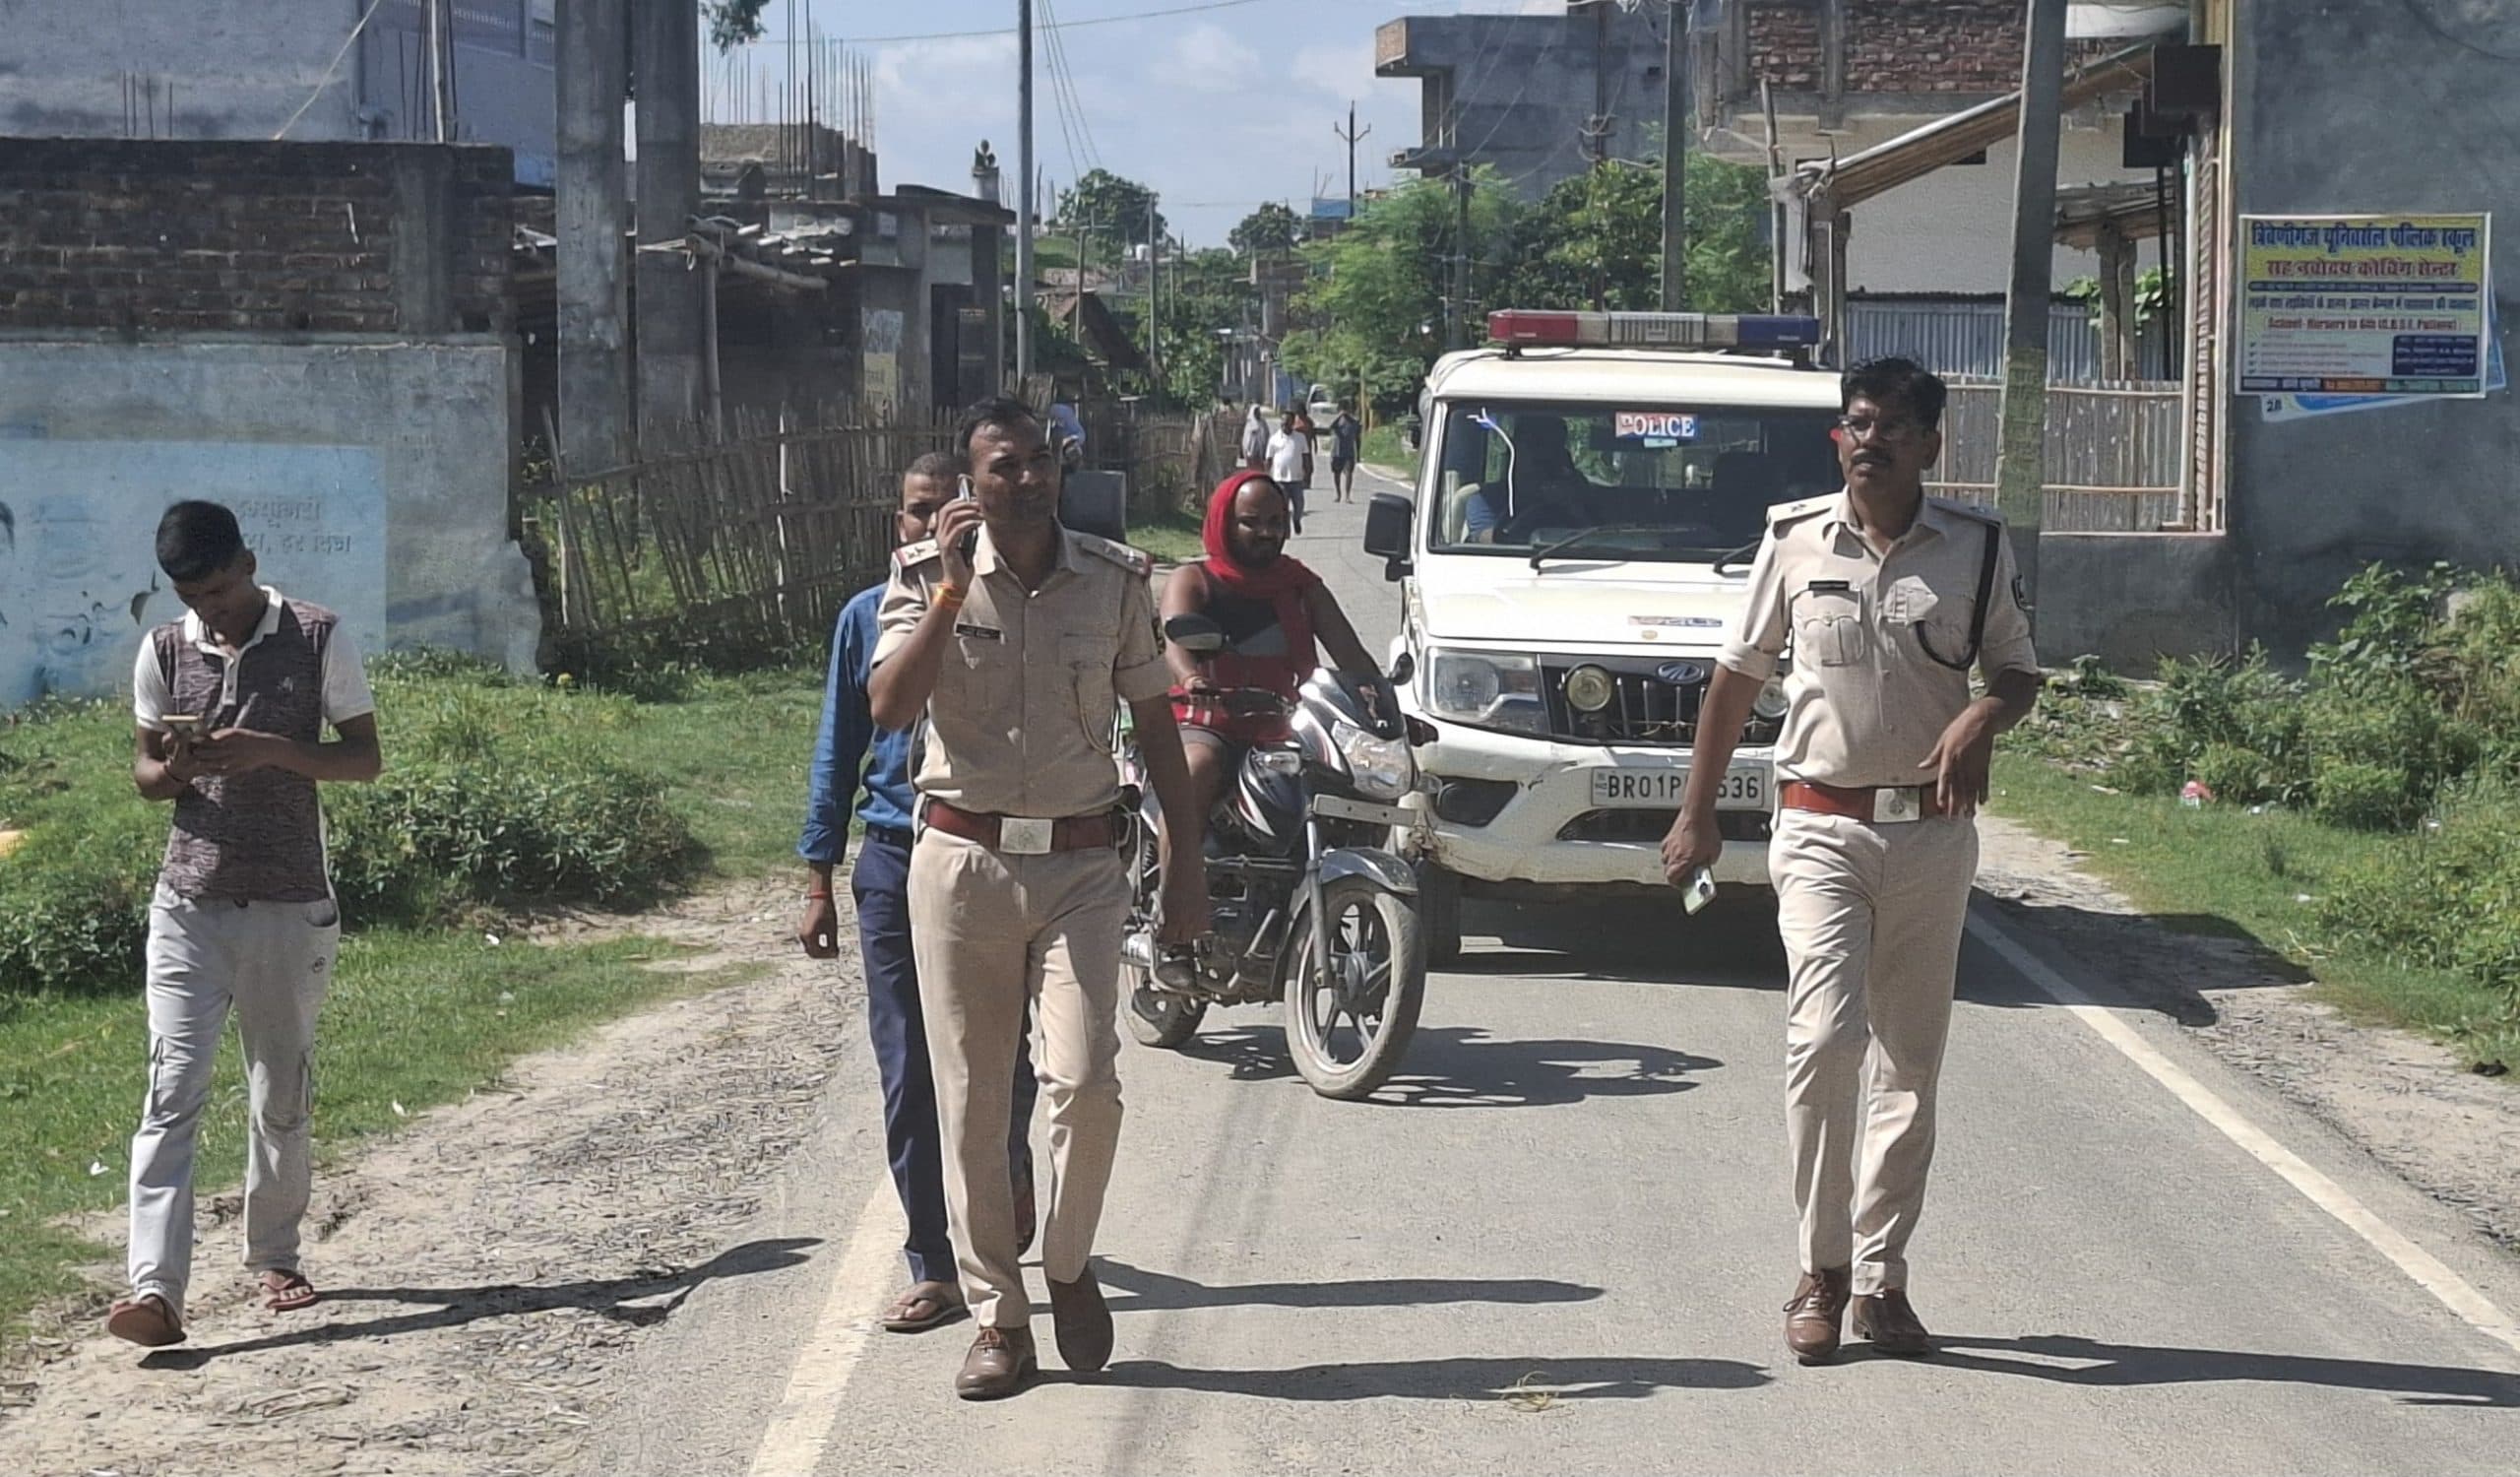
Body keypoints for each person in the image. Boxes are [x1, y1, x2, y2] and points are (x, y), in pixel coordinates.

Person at [1659, 357, 2041, 1365]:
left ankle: (1880, 1279)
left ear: (1930, 444)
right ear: (1840, 437)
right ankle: (1819, 1269)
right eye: (1857, 424)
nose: (1869, 441)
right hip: (1819, 824)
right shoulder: (1793, 540)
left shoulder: (1975, 547)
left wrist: (1983, 716)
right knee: (1825, 1040)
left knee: (1909, 1061)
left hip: (1930, 837)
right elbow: (1734, 680)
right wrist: (1697, 813)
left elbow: (2016, 667)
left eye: (1891, 427)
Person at [868, 396, 1208, 1400]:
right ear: (969, 485)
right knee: (972, 1104)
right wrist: (950, 588)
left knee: (1086, 1081)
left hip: (1080, 865)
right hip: (960, 863)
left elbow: (1155, 725)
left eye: (1038, 463)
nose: (1026, 481)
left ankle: (1065, 1260)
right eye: (1003, 467)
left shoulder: (1111, 579)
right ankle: (999, 1321)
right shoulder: (921, 576)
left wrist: (1185, 865)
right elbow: (889, 709)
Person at [108, 500, 383, 1348]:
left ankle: (276, 1254)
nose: (211, 611)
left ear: (250, 565)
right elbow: (144, 773)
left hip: (289, 904)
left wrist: (273, 750)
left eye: (221, 592)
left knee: (279, 1091)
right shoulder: (164, 649)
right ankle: (155, 1291)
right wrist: (175, 767)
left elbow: (365, 758)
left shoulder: (318, 636)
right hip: (187, 905)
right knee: (169, 1093)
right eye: (194, 597)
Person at [797, 451, 1040, 1336]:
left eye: (949, 510)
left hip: (985, 859)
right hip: (896, 858)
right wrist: (818, 874)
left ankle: (1007, 1178)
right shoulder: (866, 616)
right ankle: (934, 1261)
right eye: (916, 512)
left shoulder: (1009, 608)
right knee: (908, 1068)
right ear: (896, 523)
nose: (932, 526)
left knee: (1002, 1061)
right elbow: (840, 747)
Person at [1163, 471, 1383, 823]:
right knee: (1196, 771)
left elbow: (1352, 657)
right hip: (1210, 722)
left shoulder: (1301, 586)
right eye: (1251, 522)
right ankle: (1179, 861)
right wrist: (1192, 679)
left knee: (1360, 779)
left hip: (1286, 724)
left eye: (1275, 522)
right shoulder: (1195, 580)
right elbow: (1174, 641)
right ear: (1224, 524)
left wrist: (1386, 709)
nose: (1266, 532)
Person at [1266, 410, 1312, 536]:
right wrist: (1266, 476)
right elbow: (1269, 459)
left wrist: (1307, 473)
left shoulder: (1300, 438)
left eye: (1287, 422)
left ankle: (1296, 520)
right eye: (1282, 421)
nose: (1284, 424)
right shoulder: (1274, 439)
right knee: (1283, 507)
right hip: (1280, 479)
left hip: (1296, 479)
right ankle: (1286, 531)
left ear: (1292, 423)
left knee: (1299, 505)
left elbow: (1306, 456)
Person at [1329, 405, 1363, 502]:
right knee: (1336, 473)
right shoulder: (1337, 422)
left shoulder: (1354, 422)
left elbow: (1357, 438)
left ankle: (1347, 495)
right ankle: (1338, 494)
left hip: (1349, 452)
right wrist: (1340, 416)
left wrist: (1358, 454)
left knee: (1349, 473)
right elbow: (1331, 426)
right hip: (1336, 452)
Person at [1239, 404, 1271, 470]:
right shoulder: (1249, 423)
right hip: (1251, 450)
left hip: (1262, 450)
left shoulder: (1263, 422)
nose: (1258, 413)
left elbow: (1267, 433)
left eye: (1258, 411)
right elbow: (1246, 438)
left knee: (1260, 468)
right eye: (1256, 411)